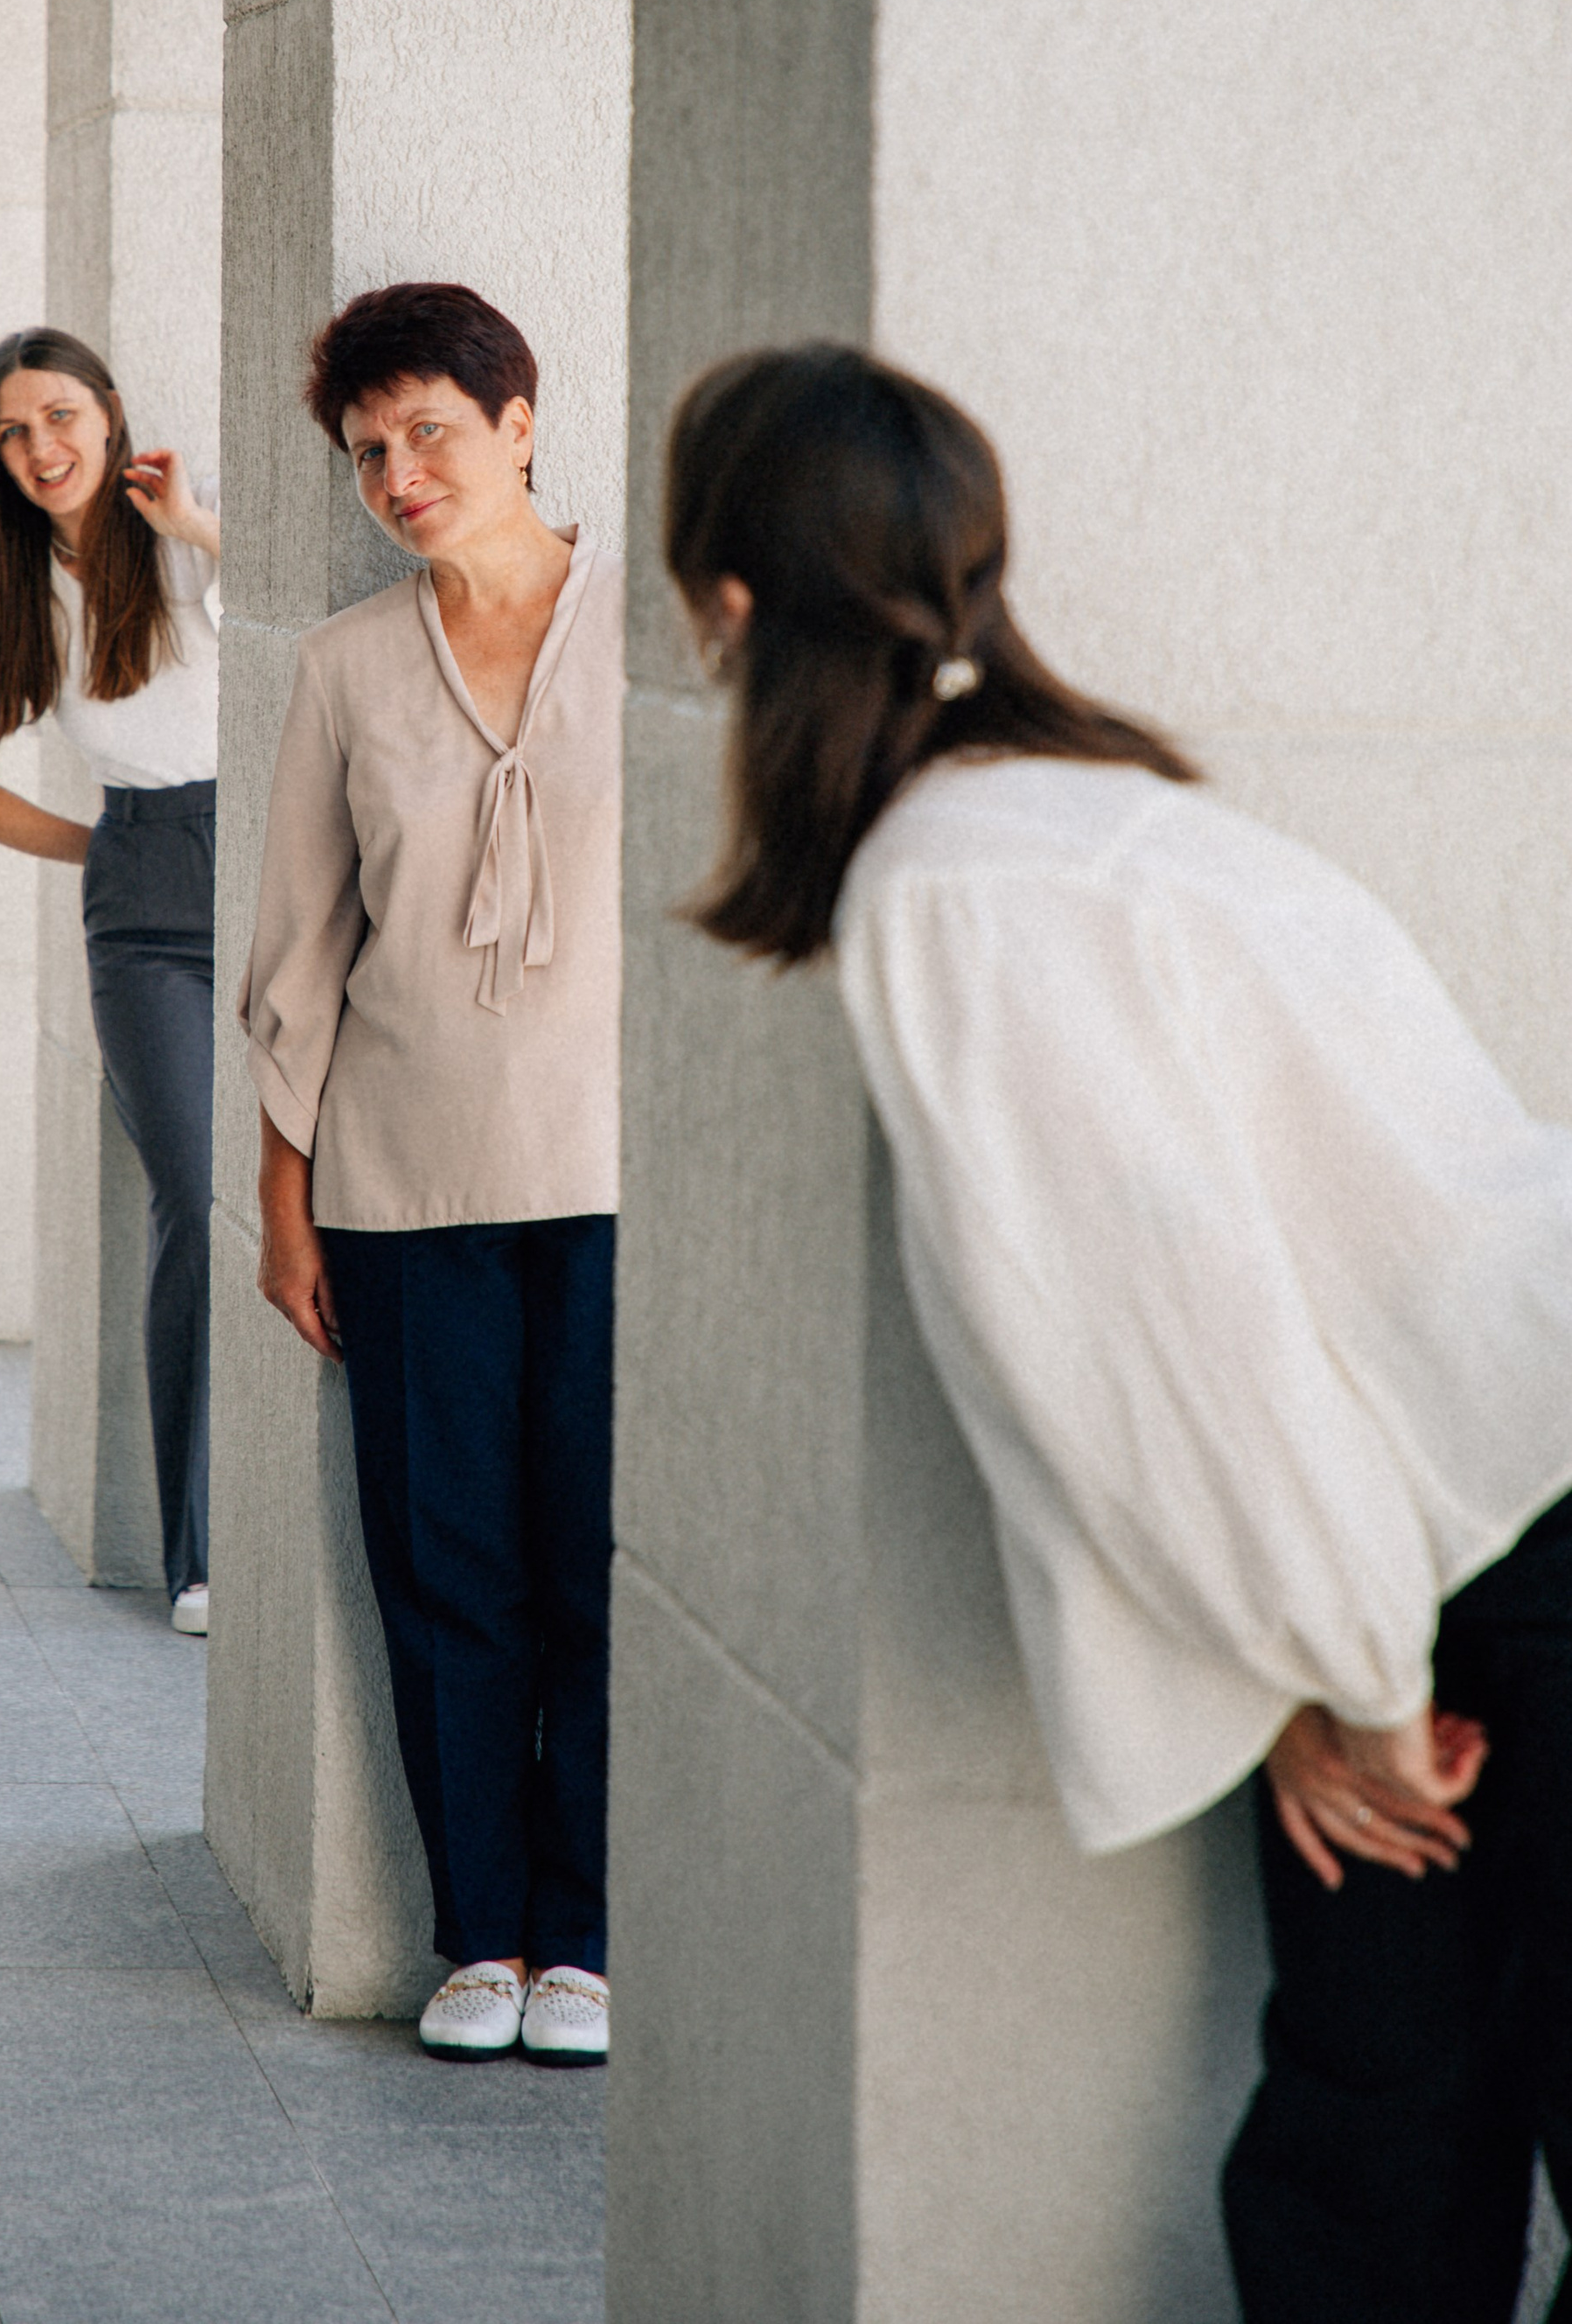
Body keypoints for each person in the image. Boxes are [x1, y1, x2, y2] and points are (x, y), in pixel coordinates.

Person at [663, 339, 1572, 2324]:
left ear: (721, 602)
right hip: (1488, 1497)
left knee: (1376, 2169)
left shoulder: (959, 894)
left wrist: (1342, 1677)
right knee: (1378, 2150)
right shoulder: (1082, 818)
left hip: (1498, 1538)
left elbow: (1170, 1348)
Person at [241, 281, 620, 2067]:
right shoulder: (339, 667)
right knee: (444, 1567)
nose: (399, 473)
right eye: (369, 451)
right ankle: (476, 1939)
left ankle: (588, 1936)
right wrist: (281, 1196)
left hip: (620, 1183)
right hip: (397, 1195)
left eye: (431, 435)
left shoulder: (658, 636)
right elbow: (299, 957)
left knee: (598, 1567)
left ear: (519, 419)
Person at [0, 325, 220, 1634]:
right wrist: (111, 844)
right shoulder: (14, 601)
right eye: (14, 432)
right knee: (198, 1201)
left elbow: (321, 610)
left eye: (62, 417)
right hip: (146, 913)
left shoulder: (186, 551)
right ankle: (199, 1554)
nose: (43, 448)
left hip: (289, 875)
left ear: (110, 415)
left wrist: (193, 522)